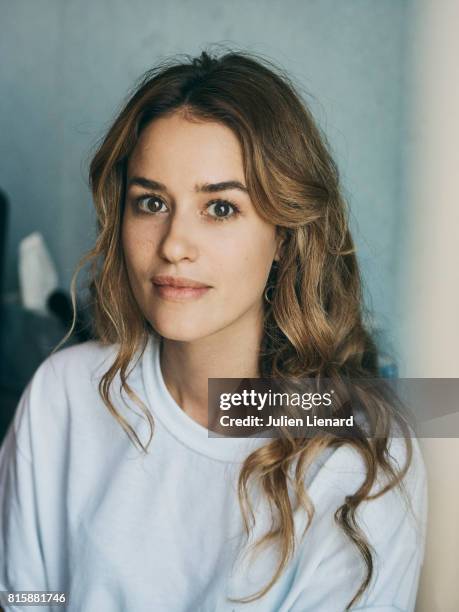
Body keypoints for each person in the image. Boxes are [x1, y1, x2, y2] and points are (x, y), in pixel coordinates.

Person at [0, 50, 427, 612]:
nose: (174, 244)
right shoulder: (64, 394)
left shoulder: (359, 450)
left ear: (284, 234)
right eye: (151, 202)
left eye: (221, 208)